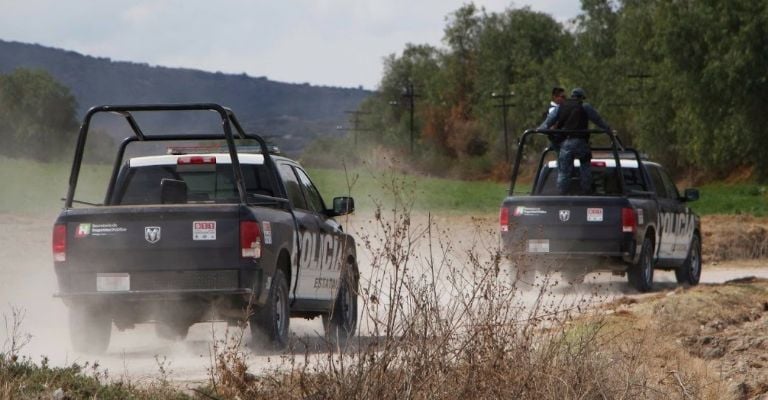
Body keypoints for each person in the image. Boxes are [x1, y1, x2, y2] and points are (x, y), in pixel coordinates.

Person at [543, 88, 612, 195]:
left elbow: (548, 122)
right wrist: (608, 130)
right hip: (581, 143)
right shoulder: (585, 107)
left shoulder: (562, 106)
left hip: (566, 144)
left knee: (564, 171)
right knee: (585, 166)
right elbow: (598, 120)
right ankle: (586, 191)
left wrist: (541, 130)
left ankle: (561, 194)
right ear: (581, 98)